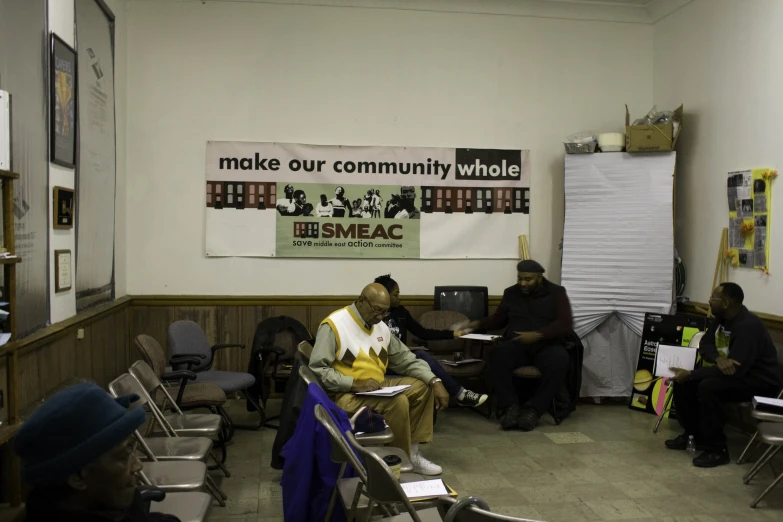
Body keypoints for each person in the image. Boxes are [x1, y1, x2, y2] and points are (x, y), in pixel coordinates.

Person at [309, 283, 448, 475]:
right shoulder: (334, 325)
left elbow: (406, 359)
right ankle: (397, 462)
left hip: (375, 388)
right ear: (361, 301)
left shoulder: (379, 327)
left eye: (385, 312)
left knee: (422, 387)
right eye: (377, 310)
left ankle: (412, 455)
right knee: (397, 401)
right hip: (344, 395)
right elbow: (318, 369)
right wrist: (353, 383)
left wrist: (435, 381)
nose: (381, 317)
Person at [13, 382, 179, 522]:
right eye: (124, 456)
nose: (138, 465)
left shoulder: (108, 505)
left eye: (131, 449)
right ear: (77, 478)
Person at [666, 283, 782, 467]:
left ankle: (717, 449)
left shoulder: (748, 327)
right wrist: (718, 359)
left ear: (726, 303)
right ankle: (693, 435)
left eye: (713, 298)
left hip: (760, 382)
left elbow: (735, 370)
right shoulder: (722, 319)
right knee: (684, 384)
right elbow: (706, 345)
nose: (709, 301)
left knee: (708, 387)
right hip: (737, 375)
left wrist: (691, 374)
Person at [462, 259, 573, 432]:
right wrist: (476, 324)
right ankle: (510, 407)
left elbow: (565, 324)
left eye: (528, 279)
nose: (523, 283)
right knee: (496, 356)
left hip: (546, 345)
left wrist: (537, 335)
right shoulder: (511, 293)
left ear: (539, 277)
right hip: (517, 345)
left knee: (560, 359)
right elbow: (499, 319)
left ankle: (535, 410)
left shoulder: (557, 293)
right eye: (520, 278)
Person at [374, 274, 488, 408]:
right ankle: (460, 394)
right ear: (384, 294)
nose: (399, 297)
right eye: (395, 294)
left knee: (423, 357)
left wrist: (452, 333)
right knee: (422, 357)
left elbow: (423, 332)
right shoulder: (372, 315)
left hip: (399, 360)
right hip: (378, 362)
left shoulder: (401, 312)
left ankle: (460, 394)